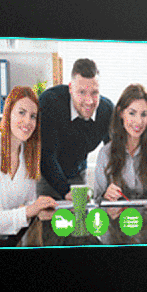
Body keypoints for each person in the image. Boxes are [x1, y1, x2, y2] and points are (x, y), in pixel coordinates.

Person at [0, 86, 55, 244]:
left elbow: (29, 202)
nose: (28, 121)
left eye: (33, 116)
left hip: (12, 237)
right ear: (8, 114)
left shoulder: (28, 153)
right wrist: (29, 211)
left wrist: (38, 211)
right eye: (22, 112)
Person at [37, 57, 112, 198]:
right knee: (48, 217)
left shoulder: (107, 111)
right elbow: (46, 155)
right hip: (47, 174)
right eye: (82, 92)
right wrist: (65, 192)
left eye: (94, 93)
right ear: (70, 88)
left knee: (79, 217)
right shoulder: (50, 103)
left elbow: (114, 154)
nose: (89, 101)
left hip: (77, 173)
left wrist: (111, 186)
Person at [86, 83, 147, 203]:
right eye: (132, 113)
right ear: (121, 113)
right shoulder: (106, 154)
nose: (138, 121)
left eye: (144, 114)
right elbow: (97, 200)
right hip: (117, 220)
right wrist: (106, 195)